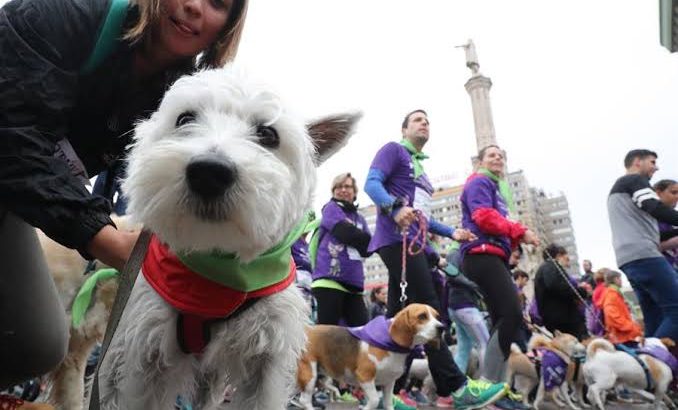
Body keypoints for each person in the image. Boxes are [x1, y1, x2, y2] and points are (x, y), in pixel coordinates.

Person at [0, 0, 248, 390]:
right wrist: (105, 237)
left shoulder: (178, 100)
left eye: (217, 3)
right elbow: (14, 138)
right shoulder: (63, 13)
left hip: (12, 204)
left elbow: (148, 184)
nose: (194, 6)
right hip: (13, 176)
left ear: (228, 25)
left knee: (36, 344)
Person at [364, 110, 507, 409]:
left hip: (414, 242)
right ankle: (453, 388)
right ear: (404, 129)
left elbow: (422, 217)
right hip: (396, 240)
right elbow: (371, 183)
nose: (424, 123)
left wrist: (452, 231)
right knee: (429, 311)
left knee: (395, 317)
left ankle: (381, 394)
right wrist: (393, 208)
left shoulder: (421, 172)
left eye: (427, 120)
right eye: (417, 120)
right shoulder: (393, 151)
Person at [459, 144, 540, 386]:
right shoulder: (478, 181)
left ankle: (497, 387)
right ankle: (488, 383)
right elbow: (483, 217)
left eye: (501, 156)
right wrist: (520, 230)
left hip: (494, 255)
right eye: (491, 155)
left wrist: (519, 235)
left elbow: (500, 226)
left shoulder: (494, 188)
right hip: (481, 255)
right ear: (480, 161)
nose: (498, 158)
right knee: (511, 314)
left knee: (501, 320)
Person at [607, 150, 678, 343]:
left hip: (630, 259)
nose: (656, 167)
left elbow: (656, 233)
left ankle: (649, 367)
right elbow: (654, 207)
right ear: (637, 162)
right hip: (645, 255)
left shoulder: (620, 190)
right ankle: (650, 357)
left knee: (655, 317)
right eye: (652, 162)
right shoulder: (634, 181)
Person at [311, 173, 371, 327]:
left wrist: (365, 241)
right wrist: (364, 240)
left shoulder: (361, 219)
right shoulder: (331, 208)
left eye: (348, 186)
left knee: (360, 334)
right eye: (339, 187)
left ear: (355, 191)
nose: (343, 190)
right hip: (329, 280)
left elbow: (368, 249)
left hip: (355, 284)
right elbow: (344, 232)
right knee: (328, 335)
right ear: (333, 191)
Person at [534, 244, 589, 340]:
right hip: (564, 318)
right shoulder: (551, 266)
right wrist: (582, 291)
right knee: (580, 342)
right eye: (566, 256)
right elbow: (558, 285)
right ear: (559, 255)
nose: (568, 259)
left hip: (557, 317)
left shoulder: (545, 268)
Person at [600, 269, 643, 345]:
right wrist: (632, 327)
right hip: (622, 337)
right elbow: (612, 315)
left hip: (623, 336)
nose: (621, 281)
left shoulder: (614, 293)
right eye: (620, 278)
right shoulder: (612, 295)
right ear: (615, 279)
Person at [654, 179, 678, 271]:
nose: (677, 197)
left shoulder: (674, 217)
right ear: (658, 193)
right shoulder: (649, 216)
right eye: (674, 192)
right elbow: (649, 245)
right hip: (659, 267)